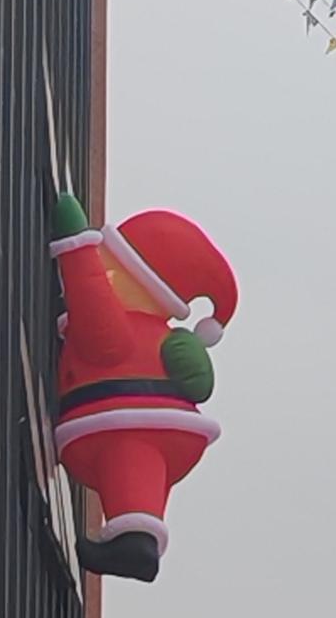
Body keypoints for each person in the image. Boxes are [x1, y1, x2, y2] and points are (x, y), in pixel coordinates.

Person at [50, 193, 237, 582]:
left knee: (129, 465)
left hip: (127, 422)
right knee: (137, 485)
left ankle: (135, 544)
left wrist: (75, 246)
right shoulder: (152, 336)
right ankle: (137, 538)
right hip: (162, 432)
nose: (104, 274)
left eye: (111, 268)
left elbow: (90, 302)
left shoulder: (123, 333)